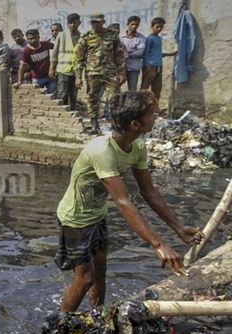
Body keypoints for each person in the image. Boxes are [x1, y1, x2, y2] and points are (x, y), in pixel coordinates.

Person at [55, 91, 203, 312]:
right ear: (135, 124)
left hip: (96, 214)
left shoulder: (138, 147)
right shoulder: (102, 151)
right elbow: (123, 201)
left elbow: (149, 192)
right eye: (151, 115)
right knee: (85, 278)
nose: (156, 117)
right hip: (75, 219)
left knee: (101, 269)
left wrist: (179, 228)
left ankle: (97, 315)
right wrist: (159, 244)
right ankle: (60, 327)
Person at [75, 13, 126, 135]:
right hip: (92, 73)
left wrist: (122, 73)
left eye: (98, 22)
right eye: (93, 22)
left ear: (103, 22)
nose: (95, 24)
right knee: (92, 98)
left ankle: (115, 125)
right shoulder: (85, 36)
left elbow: (119, 55)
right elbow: (79, 57)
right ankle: (94, 125)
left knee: (115, 98)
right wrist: (78, 76)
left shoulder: (112, 36)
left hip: (110, 73)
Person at [141, 17, 177, 107]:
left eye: (161, 27)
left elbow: (156, 52)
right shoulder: (149, 38)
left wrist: (169, 54)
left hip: (158, 66)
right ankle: (141, 107)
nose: (159, 29)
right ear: (152, 26)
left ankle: (155, 108)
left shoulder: (158, 38)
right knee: (145, 88)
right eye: (157, 26)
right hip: (150, 66)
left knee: (157, 88)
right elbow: (146, 53)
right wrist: (147, 65)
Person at [50, 13, 81, 111]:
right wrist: (51, 67)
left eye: (75, 23)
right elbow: (55, 52)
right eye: (70, 23)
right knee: (62, 94)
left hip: (76, 71)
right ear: (67, 24)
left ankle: (72, 115)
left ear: (79, 23)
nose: (72, 25)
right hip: (63, 70)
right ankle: (63, 115)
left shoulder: (82, 37)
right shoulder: (61, 35)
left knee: (73, 95)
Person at [17, 29, 56, 94]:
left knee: (53, 97)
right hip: (37, 78)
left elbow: (57, 50)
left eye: (35, 38)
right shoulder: (26, 51)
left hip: (50, 76)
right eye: (31, 39)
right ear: (27, 39)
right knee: (39, 97)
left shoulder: (46, 44)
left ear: (38, 37)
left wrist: (54, 66)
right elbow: (22, 66)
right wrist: (19, 81)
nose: (33, 40)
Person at [121, 16, 147, 92]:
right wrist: (132, 51)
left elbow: (140, 52)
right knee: (116, 88)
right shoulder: (121, 37)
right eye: (132, 24)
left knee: (132, 90)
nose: (134, 26)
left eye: (136, 24)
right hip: (121, 68)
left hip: (134, 67)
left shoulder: (141, 38)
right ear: (127, 24)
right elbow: (119, 52)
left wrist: (126, 53)